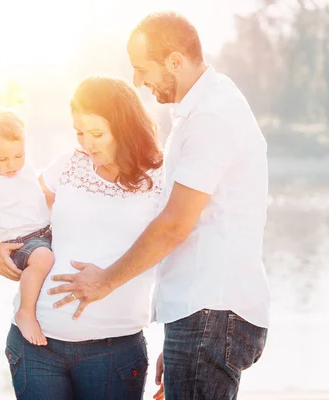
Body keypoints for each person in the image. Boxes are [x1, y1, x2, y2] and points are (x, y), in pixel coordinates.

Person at [48, 12, 270, 400]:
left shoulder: (211, 117)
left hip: (212, 313)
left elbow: (174, 225)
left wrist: (105, 280)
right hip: (201, 315)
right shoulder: (201, 110)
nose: (137, 81)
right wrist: (178, 335)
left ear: (174, 62)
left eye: (141, 69)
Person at [0, 76, 163, 399]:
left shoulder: (160, 178)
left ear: (125, 128)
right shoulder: (69, 164)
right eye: (80, 132)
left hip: (114, 352)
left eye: (97, 133)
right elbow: (19, 209)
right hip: (37, 347)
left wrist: (174, 346)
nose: (87, 143)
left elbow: (175, 257)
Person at [0, 107, 54, 346]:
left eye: (18, 155)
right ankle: (25, 311)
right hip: (20, 243)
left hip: (46, 232)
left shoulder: (26, 169)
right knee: (43, 257)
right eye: (2, 159)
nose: (12, 165)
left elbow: (40, 197)